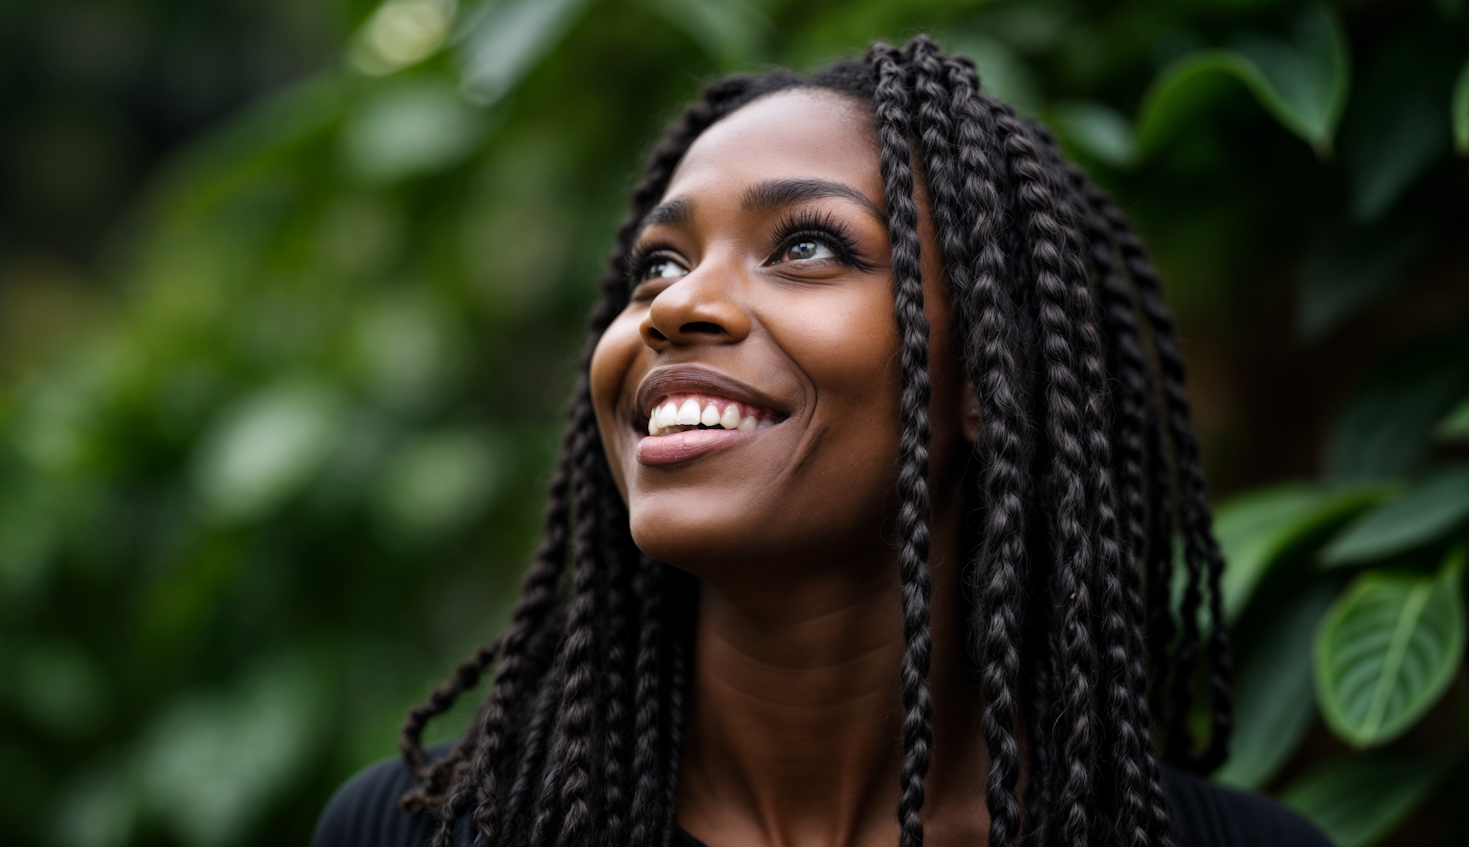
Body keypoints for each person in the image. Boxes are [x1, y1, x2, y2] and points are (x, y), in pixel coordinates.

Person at [313, 36, 1332, 847]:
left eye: (806, 246)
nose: (677, 307)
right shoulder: (419, 830)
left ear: (986, 378)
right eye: (657, 263)